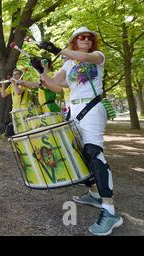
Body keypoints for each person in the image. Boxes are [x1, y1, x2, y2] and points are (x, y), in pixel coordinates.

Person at [37, 26, 122, 236]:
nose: (86, 39)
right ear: (75, 40)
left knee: (94, 152)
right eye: (81, 37)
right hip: (74, 110)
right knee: (80, 154)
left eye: (89, 37)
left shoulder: (96, 56)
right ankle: (93, 194)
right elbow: (55, 83)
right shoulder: (69, 63)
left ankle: (109, 210)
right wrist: (41, 71)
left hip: (92, 107)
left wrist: (58, 50)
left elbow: (81, 56)